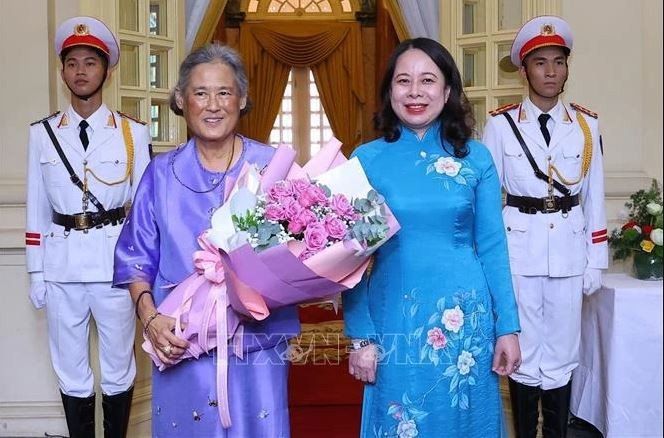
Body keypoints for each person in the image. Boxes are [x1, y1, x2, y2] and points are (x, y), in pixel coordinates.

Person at [113, 43, 300, 436]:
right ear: (181, 100)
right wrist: (150, 320)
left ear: (243, 99)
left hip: (257, 343)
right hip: (181, 340)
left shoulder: (273, 167)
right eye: (200, 93)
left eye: (224, 92)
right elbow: (135, 259)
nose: (212, 105)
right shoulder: (160, 174)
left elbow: (303, 253)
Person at [342, 37, 521, 437]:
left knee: (464, 419)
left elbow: (493, 247)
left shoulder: (476, 158)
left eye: (427, 80)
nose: (415, 92)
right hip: (394, 317)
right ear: (390, 92)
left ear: (448, 89)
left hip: (465, 321)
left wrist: (507, 326)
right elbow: (348, 260)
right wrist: (360, 337)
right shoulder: (366, 160)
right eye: (403, 81)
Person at [25, 16, 151, 437]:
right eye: (73, 62)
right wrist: (35, 271)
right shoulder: (42, 135)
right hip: (61, 268)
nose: (81, 71)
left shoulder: (133, 134)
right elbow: (36, 208)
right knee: (71, 371)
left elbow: (145, 215)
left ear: (107, 71)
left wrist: (143, 275)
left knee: (118, 368)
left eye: (90, 62)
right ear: (62, 72)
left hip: (115, 269)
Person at [482, 16, 608, 438]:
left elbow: (594, 197)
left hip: (571, 254)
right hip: (520, 254)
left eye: (558, 61)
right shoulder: (500, 126)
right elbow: (486, 204)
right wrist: (491, 266)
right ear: (524, 70)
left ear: (568, 68)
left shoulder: (587, 127)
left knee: (563, 354)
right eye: (540, 63)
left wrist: (596, 261)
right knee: (523, 354)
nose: (551, 71)